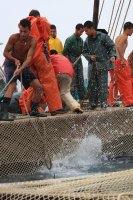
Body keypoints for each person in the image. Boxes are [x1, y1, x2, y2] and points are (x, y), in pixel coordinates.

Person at [0, 18, 46, 121]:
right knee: (12, 85)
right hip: (10, 63)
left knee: (38, 87)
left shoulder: (33, 41)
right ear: (19, 28)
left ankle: (34, 110)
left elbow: (29, 58)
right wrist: (15, 59)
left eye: (25, 32)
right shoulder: (13, 38)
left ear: (29, 30)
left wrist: (20, 69)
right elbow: (5, 53)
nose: (23, 34)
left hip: (23, 64)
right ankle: (3, 113)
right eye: (21, 31)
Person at [25, 10, 64, 115]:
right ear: (37, 15)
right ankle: (55, 108)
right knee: (49, 79)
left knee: (34, 83)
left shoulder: (24, 24)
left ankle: (28, 108)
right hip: (39, 54)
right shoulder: (39, 20)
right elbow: (47, 31)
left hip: (28, 56)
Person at [83, 20, 116, 110]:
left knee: (103, 85)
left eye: (86, 31)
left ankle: (103, 104)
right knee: (92, 86)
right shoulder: (87, 40)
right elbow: (84, 52)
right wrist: (89, 57)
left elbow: (112, 46)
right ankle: (92, 104)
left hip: (103, 65)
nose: (85, 33)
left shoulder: (103, 37)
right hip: (92, 66)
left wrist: (112, 55)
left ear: (91, 28)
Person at [63, 24, 85, 101]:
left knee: (81, 80)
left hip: (79, 62)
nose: (82, 33)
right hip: (72, 62)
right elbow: (65, 52)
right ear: (76, 29)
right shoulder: (70, 39)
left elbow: (82, 51)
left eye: (83, 32)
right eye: (81, 31)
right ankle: (72, 99)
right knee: (73, 81)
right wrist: (69, 63)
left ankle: (82, 98)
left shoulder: (81, 40)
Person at [114, 22, 133, 107]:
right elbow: (119, 47)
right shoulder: (124, 37)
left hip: (116, 60)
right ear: (128, 28)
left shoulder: (118, 36)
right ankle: (129, 101)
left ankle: (126, 101)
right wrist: (122, 59)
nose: (132, 32)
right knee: (127, 81)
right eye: (132, 30)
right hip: (120, 60)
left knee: (121, 82)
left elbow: (116, 47)